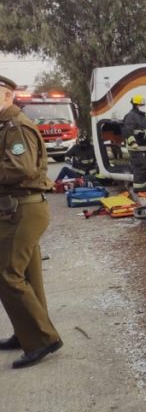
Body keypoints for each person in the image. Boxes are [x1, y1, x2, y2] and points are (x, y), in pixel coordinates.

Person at [0, 75, 63, 368]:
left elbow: (21, 169)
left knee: (8, 274)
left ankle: (42, 339)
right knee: (27, 276)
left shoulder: (16, 127)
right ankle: (27, 333)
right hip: (19, 209)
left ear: (7, 96)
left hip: (23, 210)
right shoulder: (6, 127)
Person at [122, 94, 146, 190]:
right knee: (141, 166)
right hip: (136, 147)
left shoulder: (142, 116)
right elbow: (127, 131)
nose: (143, 107)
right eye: (141, 105)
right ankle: (139, 187)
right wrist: (133, 143)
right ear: (135, 105)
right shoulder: (131, 116)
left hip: (145, 146)